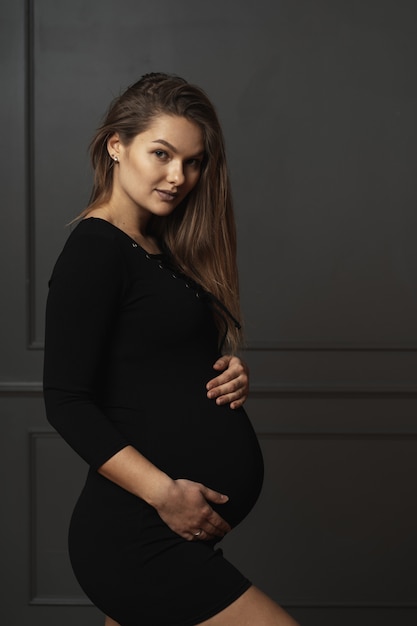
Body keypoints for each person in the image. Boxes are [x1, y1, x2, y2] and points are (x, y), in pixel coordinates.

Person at [43, 73, 299, 626]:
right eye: (161, 153)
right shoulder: (94, 250)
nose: (178, 176)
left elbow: (153, 364)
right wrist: (164, 495)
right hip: (138, 536)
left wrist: (228, 368)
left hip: (162, 535)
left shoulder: (156, 249)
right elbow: (65, 400)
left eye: (193, 161)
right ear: (117, 145)